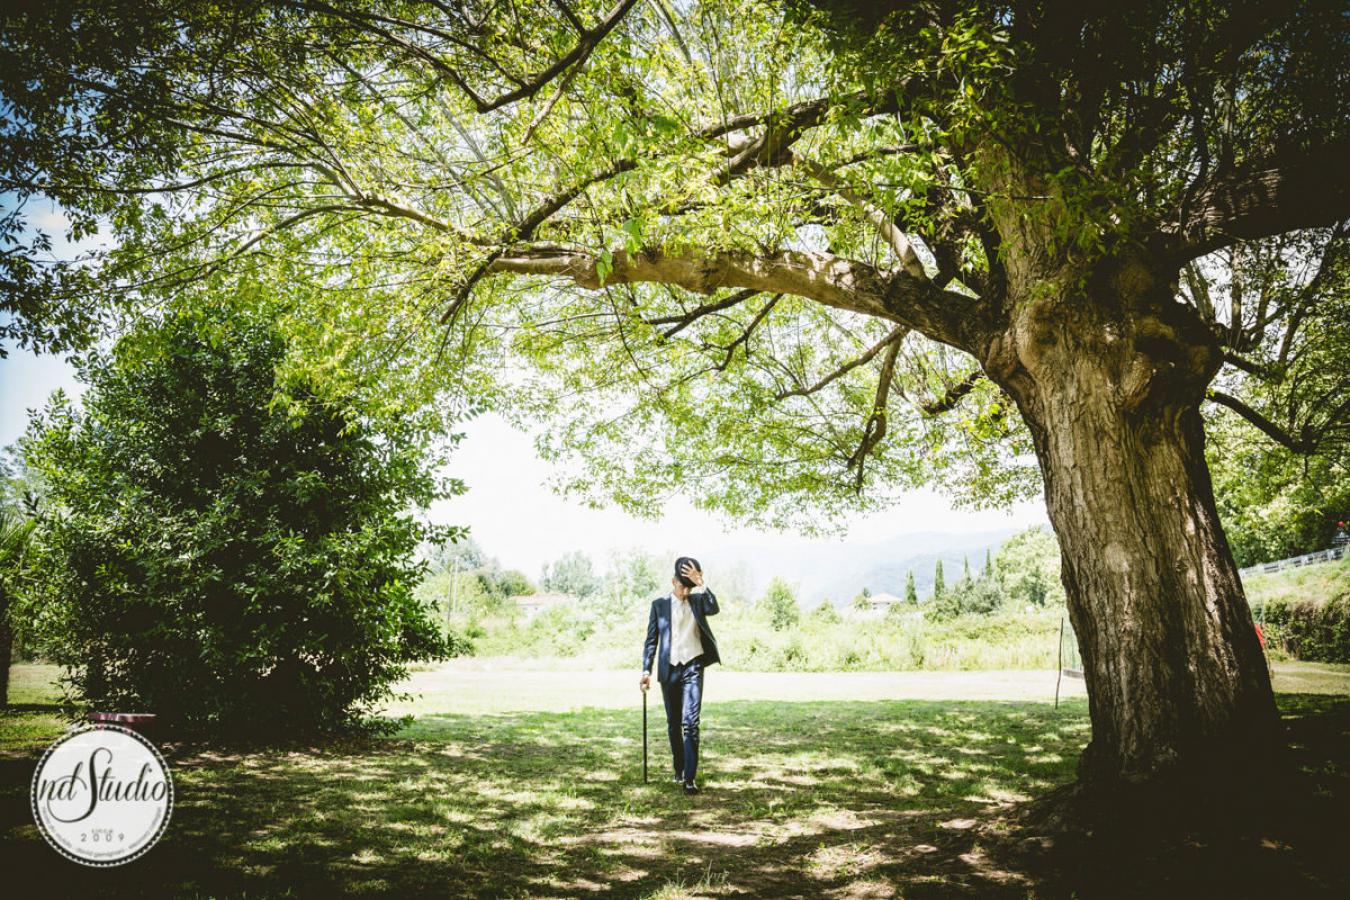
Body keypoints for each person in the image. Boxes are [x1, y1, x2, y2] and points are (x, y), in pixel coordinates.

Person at [639, 556, 721, 794]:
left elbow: (713, 607)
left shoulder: (698, 601)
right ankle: (679, 768)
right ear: (673, 581)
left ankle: (689, 779)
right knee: (674, 723)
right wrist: (646, 670)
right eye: (682, 585)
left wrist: (701, 582)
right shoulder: (659, 605)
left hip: (693, 666)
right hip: (670, 669)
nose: (686, 591)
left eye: (690, 586)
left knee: (691, 724)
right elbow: (651, 641)